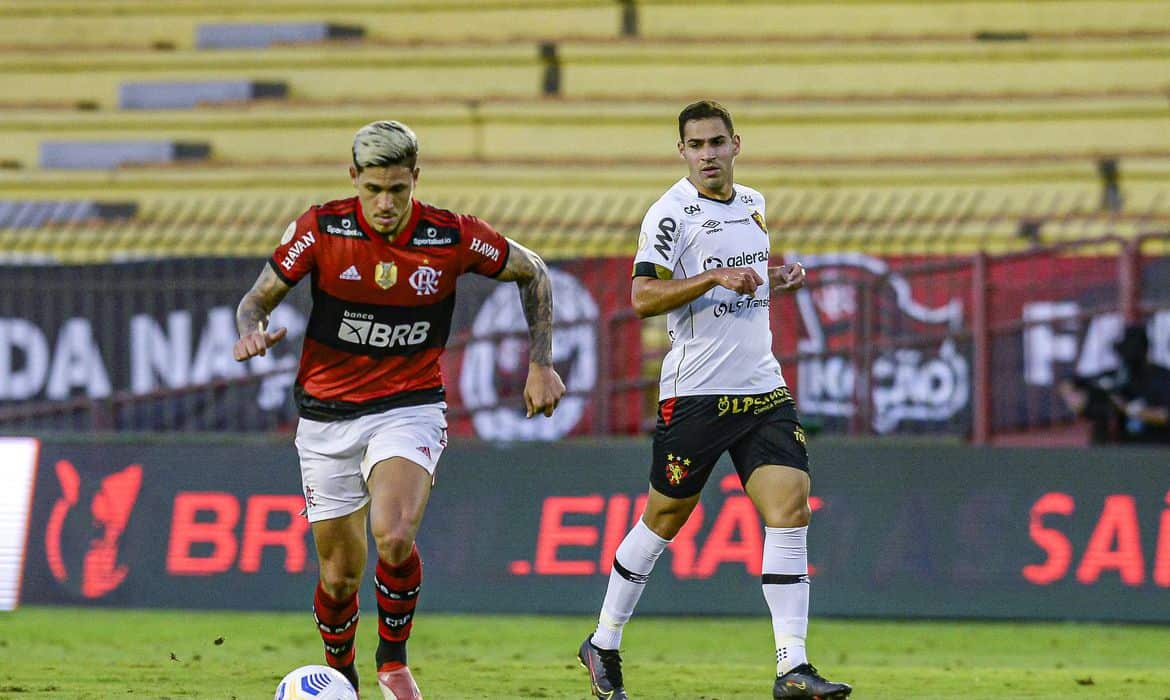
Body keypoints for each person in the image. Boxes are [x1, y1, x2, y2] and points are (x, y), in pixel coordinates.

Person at [233, 120, 565, 699]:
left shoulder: (451, 236)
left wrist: (541, 362)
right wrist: (252, 329)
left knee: (393, 535)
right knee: (338, 579)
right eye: (374, 190)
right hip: (326, 417)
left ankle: (393, 660)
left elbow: (531, 270)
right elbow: (256, 298)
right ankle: (341, 672)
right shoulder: (320, 229)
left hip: (408, 406)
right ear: (354, 179)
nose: (385, 204)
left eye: (398, 189)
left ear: (416, 179)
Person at [577, 101, 851, 699]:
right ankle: (603, 642)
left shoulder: (753, 204)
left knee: (791, 508)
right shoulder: (669, 214)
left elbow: (738, 282)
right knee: (664, 518)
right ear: (682, 152)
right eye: (696, 145)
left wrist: (770, 280)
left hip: (761, 388)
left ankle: (792, 667)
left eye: (716, 142)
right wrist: (712, 278)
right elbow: (643, 296)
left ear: (736, 145)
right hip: (696, 394)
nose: (707, 154)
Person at [1058, 323, 1170, 445]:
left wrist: (1130, 409)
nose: (1128, 358)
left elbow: (1165, 415)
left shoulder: (1162, 377)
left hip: (1157, 448)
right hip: (1123, 449)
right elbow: (1070, 383)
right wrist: (1079, 403)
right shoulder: (1117, 376)